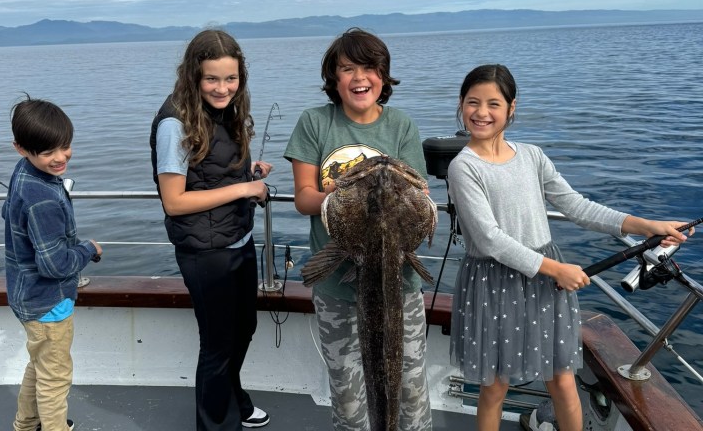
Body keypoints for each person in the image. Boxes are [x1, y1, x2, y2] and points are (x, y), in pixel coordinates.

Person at [447, 64, 694, 431]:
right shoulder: (463, 167)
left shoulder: (532, 155)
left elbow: (577, 206)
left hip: (547, 280)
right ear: (461, 104)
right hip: (496, 282)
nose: (482, 113)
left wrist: (648, 226)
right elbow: (488, 238)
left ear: (511, 108)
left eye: (493, 104)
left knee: (562, 379)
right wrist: (556, 269)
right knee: (495, 386)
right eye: (473, 102)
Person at [284, 27, 433, 430]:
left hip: (400, 285)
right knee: (349, 397)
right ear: (334, 79)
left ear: (383, 76)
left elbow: (418, 197)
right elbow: (303, 198)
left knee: (412, 393)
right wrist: (333, 196)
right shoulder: (315, 123)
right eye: (347, 68)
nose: (359, 77)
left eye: (369, 67)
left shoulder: (401, 126)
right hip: (336, 286)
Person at [150, 29, 271, 430]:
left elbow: (211, 172)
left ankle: (235, 401)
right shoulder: (174, 123)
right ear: (193, 76)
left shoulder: (223, 111)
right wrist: (245, 187)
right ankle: (216, 425)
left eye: (231, 78)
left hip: (239, 238)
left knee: (244, 330)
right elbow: (175, 200)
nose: (223, 88)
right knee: (217, 346)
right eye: (212, 79)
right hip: (206, 253)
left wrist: (249, 171)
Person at [3, 96, 102, 431]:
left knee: (39, 365)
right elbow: (55, 265)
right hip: (49, 303)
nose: (60, 158)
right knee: (55, 379)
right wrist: (87, 249)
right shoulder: (42, 197)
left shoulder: (25, 171)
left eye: (65, 146)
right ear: (21, 148)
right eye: (48, 152)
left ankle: (25, 424)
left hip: (24, 295)